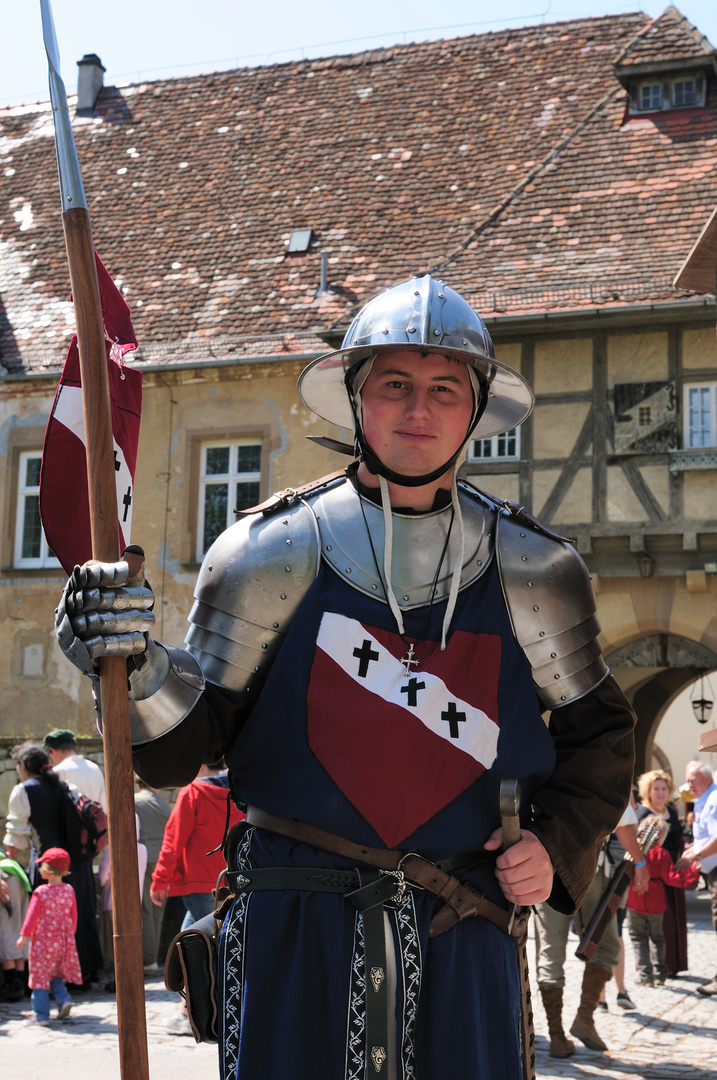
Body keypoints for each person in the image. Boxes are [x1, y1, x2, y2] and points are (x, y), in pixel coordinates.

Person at [55, 275, 635, 1079]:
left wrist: (555, 842)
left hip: (462, 927)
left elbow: (601, 740)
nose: (417, 410)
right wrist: (136, 666)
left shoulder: (532, 568)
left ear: (474, 411)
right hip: (295, 928)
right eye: (394, 385)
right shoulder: (268, 551)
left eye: (443, 389)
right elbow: (180, 750)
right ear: (358, 398)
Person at [534, 800, 648, 1057]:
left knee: (549, 954)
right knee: (605, 945)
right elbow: (624, 821)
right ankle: (584, 1018)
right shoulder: (596, 760)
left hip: (542, 869)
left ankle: (556, 1036)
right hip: (587, 871)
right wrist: (640, 864)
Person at [3, 742, 104, 988]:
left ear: (24, 767)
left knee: (45, 923)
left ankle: (49, 978)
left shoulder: (23, 790)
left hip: (48, 868)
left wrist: (8, 865)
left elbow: (15, 839)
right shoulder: (64, 785)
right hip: (76, 864)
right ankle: (83, 975)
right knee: (77, 919)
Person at [150, 763, 242, 930]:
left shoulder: (193, 792)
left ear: (200, 766)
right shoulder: (241, 790)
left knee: (207, 941)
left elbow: (174, 839)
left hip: (199, 881)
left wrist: (160, 879)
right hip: (233, 879)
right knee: (193, 937)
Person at [626, 814, 699, 985]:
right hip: (656, 902)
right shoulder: (662, 854)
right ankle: (660, 974)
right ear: (661, 835)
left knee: (638, 938)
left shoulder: (634, 851)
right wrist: (693, 872)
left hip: (635, 897)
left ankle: (645, 976)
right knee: (657, 938)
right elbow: (672, 878)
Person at [16, 846, 82, 1024]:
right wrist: (70, 934)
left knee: (39, 976)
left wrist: (23, 936)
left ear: (46, 870)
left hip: (42, 942)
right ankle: (64, 999)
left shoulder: (41, 893)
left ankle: (41, 1015)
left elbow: (32, 917)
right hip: (62, 941)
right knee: (56, 974)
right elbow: (73, 915)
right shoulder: (69, 890)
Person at [635, 770, 687, 976]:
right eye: (656, 788)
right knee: (652, 927)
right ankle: (652, 968)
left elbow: (679, 840)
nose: (660, 792)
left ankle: (671, 966)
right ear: (648, 791)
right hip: (652, 877)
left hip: (672, 873)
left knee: (672, 922)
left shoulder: (671, 812)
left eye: (664, 788)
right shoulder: (643, 814)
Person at [676, 760, 717, 996]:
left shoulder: (714, 798)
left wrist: (696, 855)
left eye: (693, 779)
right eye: (688, 779)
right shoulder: (705, 798)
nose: (689, 784)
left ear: (707, 779)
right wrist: (695, 847)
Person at [134, 777, 172, 975]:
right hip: (163, 861)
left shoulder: (134, 801)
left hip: (143, 858)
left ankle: (148, 960)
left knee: (145, 909)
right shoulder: (165, 805)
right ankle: (153, 958)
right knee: (157, 911)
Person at [43, 729, 107, 811]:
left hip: (68, 823)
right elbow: (103, 804)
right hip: (95, 821)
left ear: (53, 751)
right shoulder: (94, 768)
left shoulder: (58, 772)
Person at [0, 850, 30, 1002]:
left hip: (4, 876)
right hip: (17, 873)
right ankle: (20, 981)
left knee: (5, 928)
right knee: (19, 927)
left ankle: (12, 982)